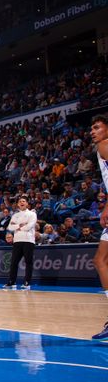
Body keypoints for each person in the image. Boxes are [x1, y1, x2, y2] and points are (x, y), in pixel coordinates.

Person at [90, 114, 108, 341]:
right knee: (100, 260)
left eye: (97, 127)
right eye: (91, 128)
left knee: (101, 261)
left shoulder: (104, 145)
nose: (92, 131)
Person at [3, 196, 37, 290]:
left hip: (28, 240)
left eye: (24, 201)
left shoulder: (32, 214)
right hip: (17, 240)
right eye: (20, 201)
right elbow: (10, 227)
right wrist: (20, 225)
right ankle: (12, 282)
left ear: (27, 203)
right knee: (14, 262)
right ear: (18, 204)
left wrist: (18, 227)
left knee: (28, 262)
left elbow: (29, 226)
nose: (22, 202)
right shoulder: (15, 215)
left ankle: (27, 282)